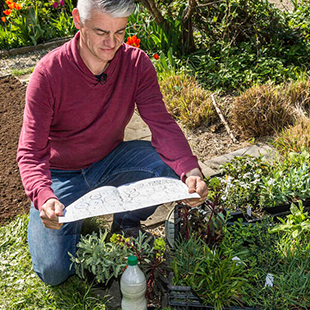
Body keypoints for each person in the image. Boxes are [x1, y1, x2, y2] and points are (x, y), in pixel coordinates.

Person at [17, 0, 208, 286]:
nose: (112, 43)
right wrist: (45, 196)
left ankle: (126, 221)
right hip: (61, 175)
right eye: (101, 31)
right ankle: (69, 218)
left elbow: (161, 123)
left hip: (111, 159)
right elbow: (30, 153)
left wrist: (191, 171)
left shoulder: (136, 64)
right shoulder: (49, 74)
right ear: (77, 21)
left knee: (171, 172)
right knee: (53, 271)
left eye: (120, 32)